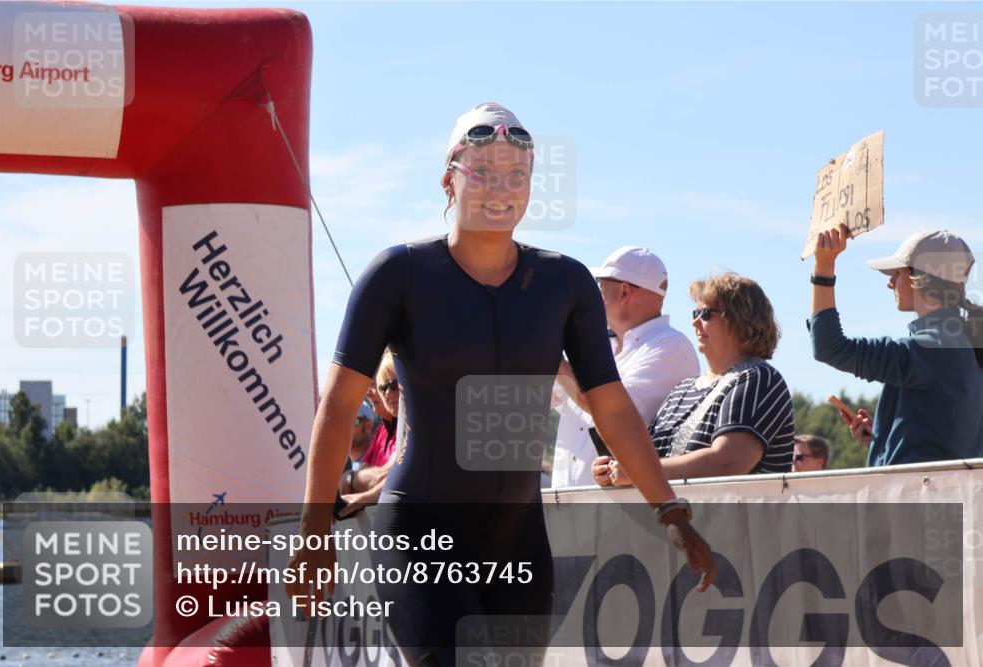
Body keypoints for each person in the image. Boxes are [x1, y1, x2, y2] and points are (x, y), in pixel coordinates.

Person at [286, 102, 715, 666]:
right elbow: (340, 406)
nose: (501, 188)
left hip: (515, 538)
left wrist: (671, 513)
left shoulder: (564, 283)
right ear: (449, 179)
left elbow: (612, 409)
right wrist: (315, 529)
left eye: (517, 175)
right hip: (419, 530)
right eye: (483, 171)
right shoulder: (398, 275)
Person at [594, 272, 795, 487]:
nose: (695, 323)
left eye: (706, 314)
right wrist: (613, 469)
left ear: (740, 318)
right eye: (695, 313)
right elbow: (654, 458)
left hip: (733, 520)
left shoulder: (758, 379)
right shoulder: (682, 389)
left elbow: (728, 463)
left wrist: (636, 471)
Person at [809, 225, 983, 465]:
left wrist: (824, 268)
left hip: (921, 499)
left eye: (896, 273)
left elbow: (830, 347)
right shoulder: (962, 343)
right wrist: (885, 437)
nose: (890, 283)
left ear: (917, 278)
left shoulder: (933, 348)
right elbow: (944, 439)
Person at [552, 246, 699, 487]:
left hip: (618, 508)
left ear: (623, 292)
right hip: (573, 502)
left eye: (600, 284)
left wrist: (553, 354)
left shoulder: (671, 348)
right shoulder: (602, 344)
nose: (594, 292)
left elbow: (608, 409)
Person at [337, 354, 399, 516]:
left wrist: (351, 479)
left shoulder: (411, 426)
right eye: (383, 387)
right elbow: (379, 477)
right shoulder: (382, 431)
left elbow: (394, 477)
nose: (370, 393)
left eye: (394, 385)